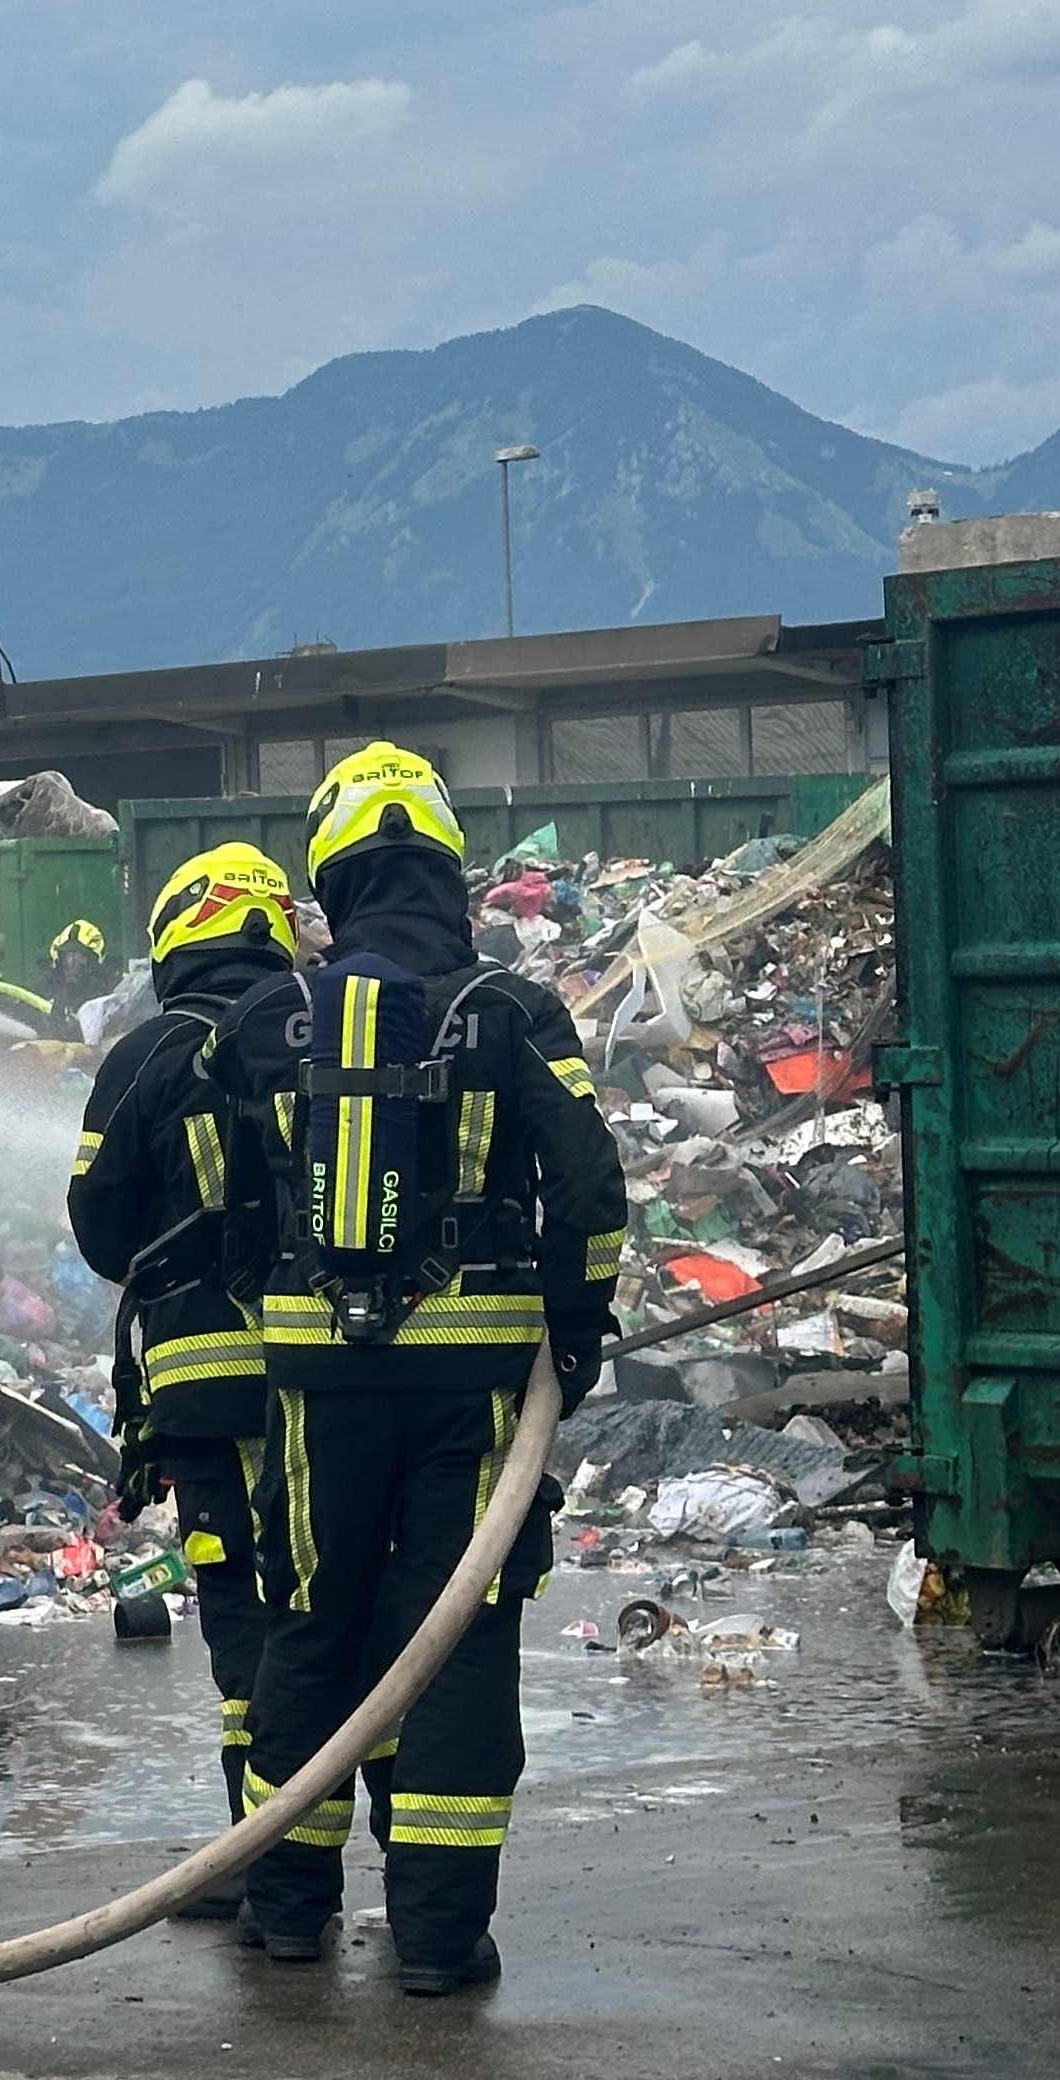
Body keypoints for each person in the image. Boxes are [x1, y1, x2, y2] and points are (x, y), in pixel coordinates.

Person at [206, 743, 623, 1998]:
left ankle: (286, 1911)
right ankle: (439, 1942)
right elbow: (591, 1190)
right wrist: (578, 1328)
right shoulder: (513, 1011)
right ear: (450, 875)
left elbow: (228, 1213)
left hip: (315, 1389)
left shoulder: (262, 1024)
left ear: (331, 876)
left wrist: (283, 1322)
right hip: (477, 1389)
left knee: (313, 1629)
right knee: (454, 1643)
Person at [67, 844, 297, 1906]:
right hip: (335, 1383)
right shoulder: (330, 1030)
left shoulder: (145, 1053)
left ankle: (260, 1864)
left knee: (244, 1620)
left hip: (208, 1395)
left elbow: (104, 1235)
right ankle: (392, 1868)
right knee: (343, 1606)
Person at [42, 916, 116, 1018]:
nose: (72, 962)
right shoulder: (47, 986)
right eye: (68, 955)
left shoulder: (108, 993)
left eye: (80, 956)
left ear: (93, 961)